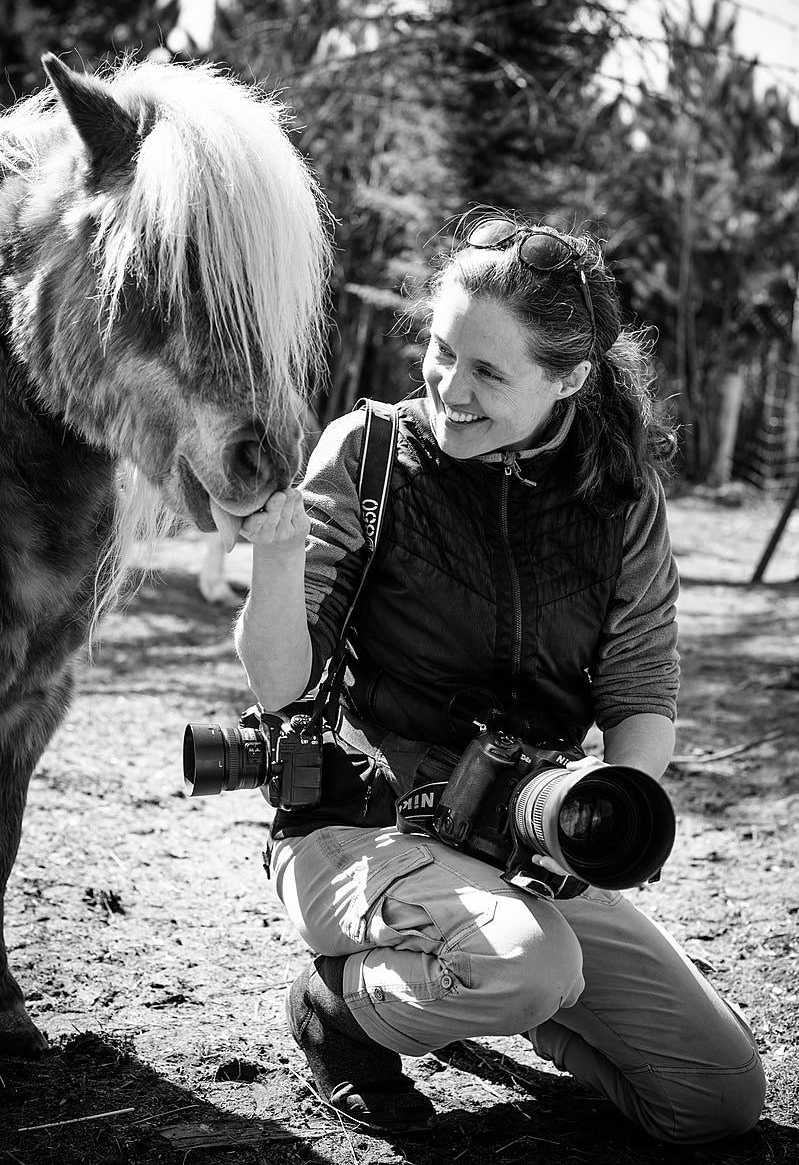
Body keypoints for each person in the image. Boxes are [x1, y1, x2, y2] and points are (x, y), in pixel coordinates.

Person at [234, 213, 766, 1142]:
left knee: (717, 1101)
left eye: (488, 371)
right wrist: (276, 562)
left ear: (569, 378)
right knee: (524, 966)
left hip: (523, 843)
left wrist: (603, 819)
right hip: (358, 826)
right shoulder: (367, 456)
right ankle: (340, 1011)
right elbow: (283, 686)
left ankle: (492, 977)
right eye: (441, 353)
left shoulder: (619, 493)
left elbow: (641, 689)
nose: (448, 388)